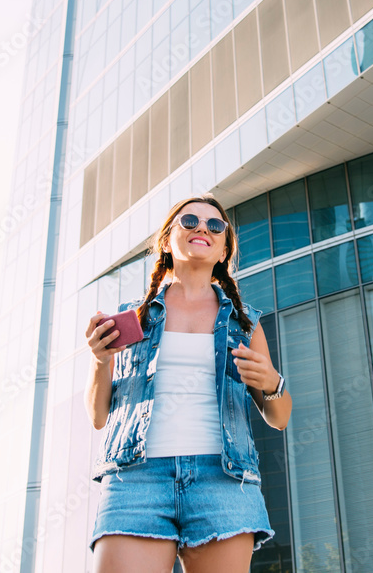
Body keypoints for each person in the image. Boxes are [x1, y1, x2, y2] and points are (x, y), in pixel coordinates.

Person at [85, 195, 293, 573]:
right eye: (190, 221)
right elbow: (99, 417)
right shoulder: (134, 319)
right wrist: (101, 362)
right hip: (137, 479)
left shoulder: (245, 324)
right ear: (167, 240)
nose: (202, 228)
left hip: (224, 480)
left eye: (215, 225)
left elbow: (278, 418)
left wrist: (272, 382)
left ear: (224, 247)